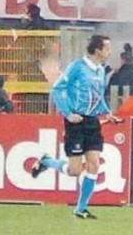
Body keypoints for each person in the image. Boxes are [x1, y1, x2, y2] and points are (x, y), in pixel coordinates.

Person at [30, 34, 122, 220]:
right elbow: (57, 89)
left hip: (93, 122)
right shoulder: (77, 67)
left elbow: (98, 96)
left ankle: (80, 209)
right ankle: (47, 161)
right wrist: (68, 114)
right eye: (107, 47)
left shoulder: (101, 70)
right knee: (74, 170)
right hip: (76, 123)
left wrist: (107, 113)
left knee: (94, 163)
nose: (110, 51)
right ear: (97, 50)